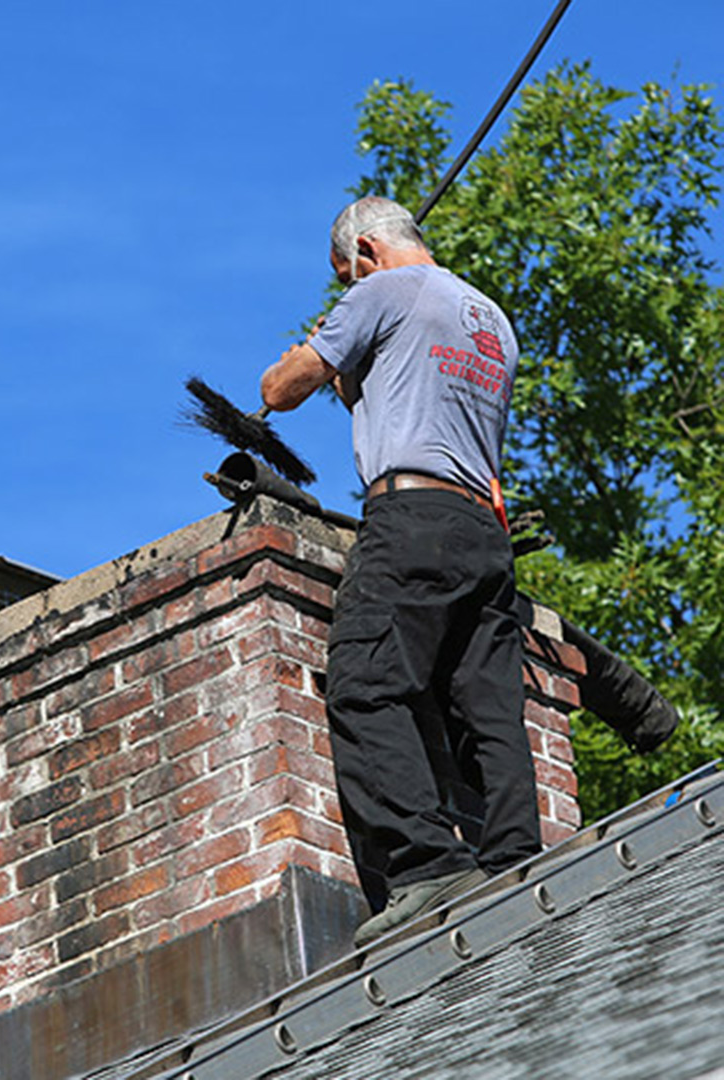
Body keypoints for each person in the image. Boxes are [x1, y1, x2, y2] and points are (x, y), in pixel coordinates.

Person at [260, 196, 542, 947]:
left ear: (367, 252)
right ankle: (517, 857)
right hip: (483, 531)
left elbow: (278, 391)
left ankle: (426, 866)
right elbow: (395, 396)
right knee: (488, 705)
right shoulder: (489, 320)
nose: (344, 283)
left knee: (364, 680)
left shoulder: (379, 290)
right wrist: (352, 373)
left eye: (342, 272)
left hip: (410, 520)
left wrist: (316, 343)